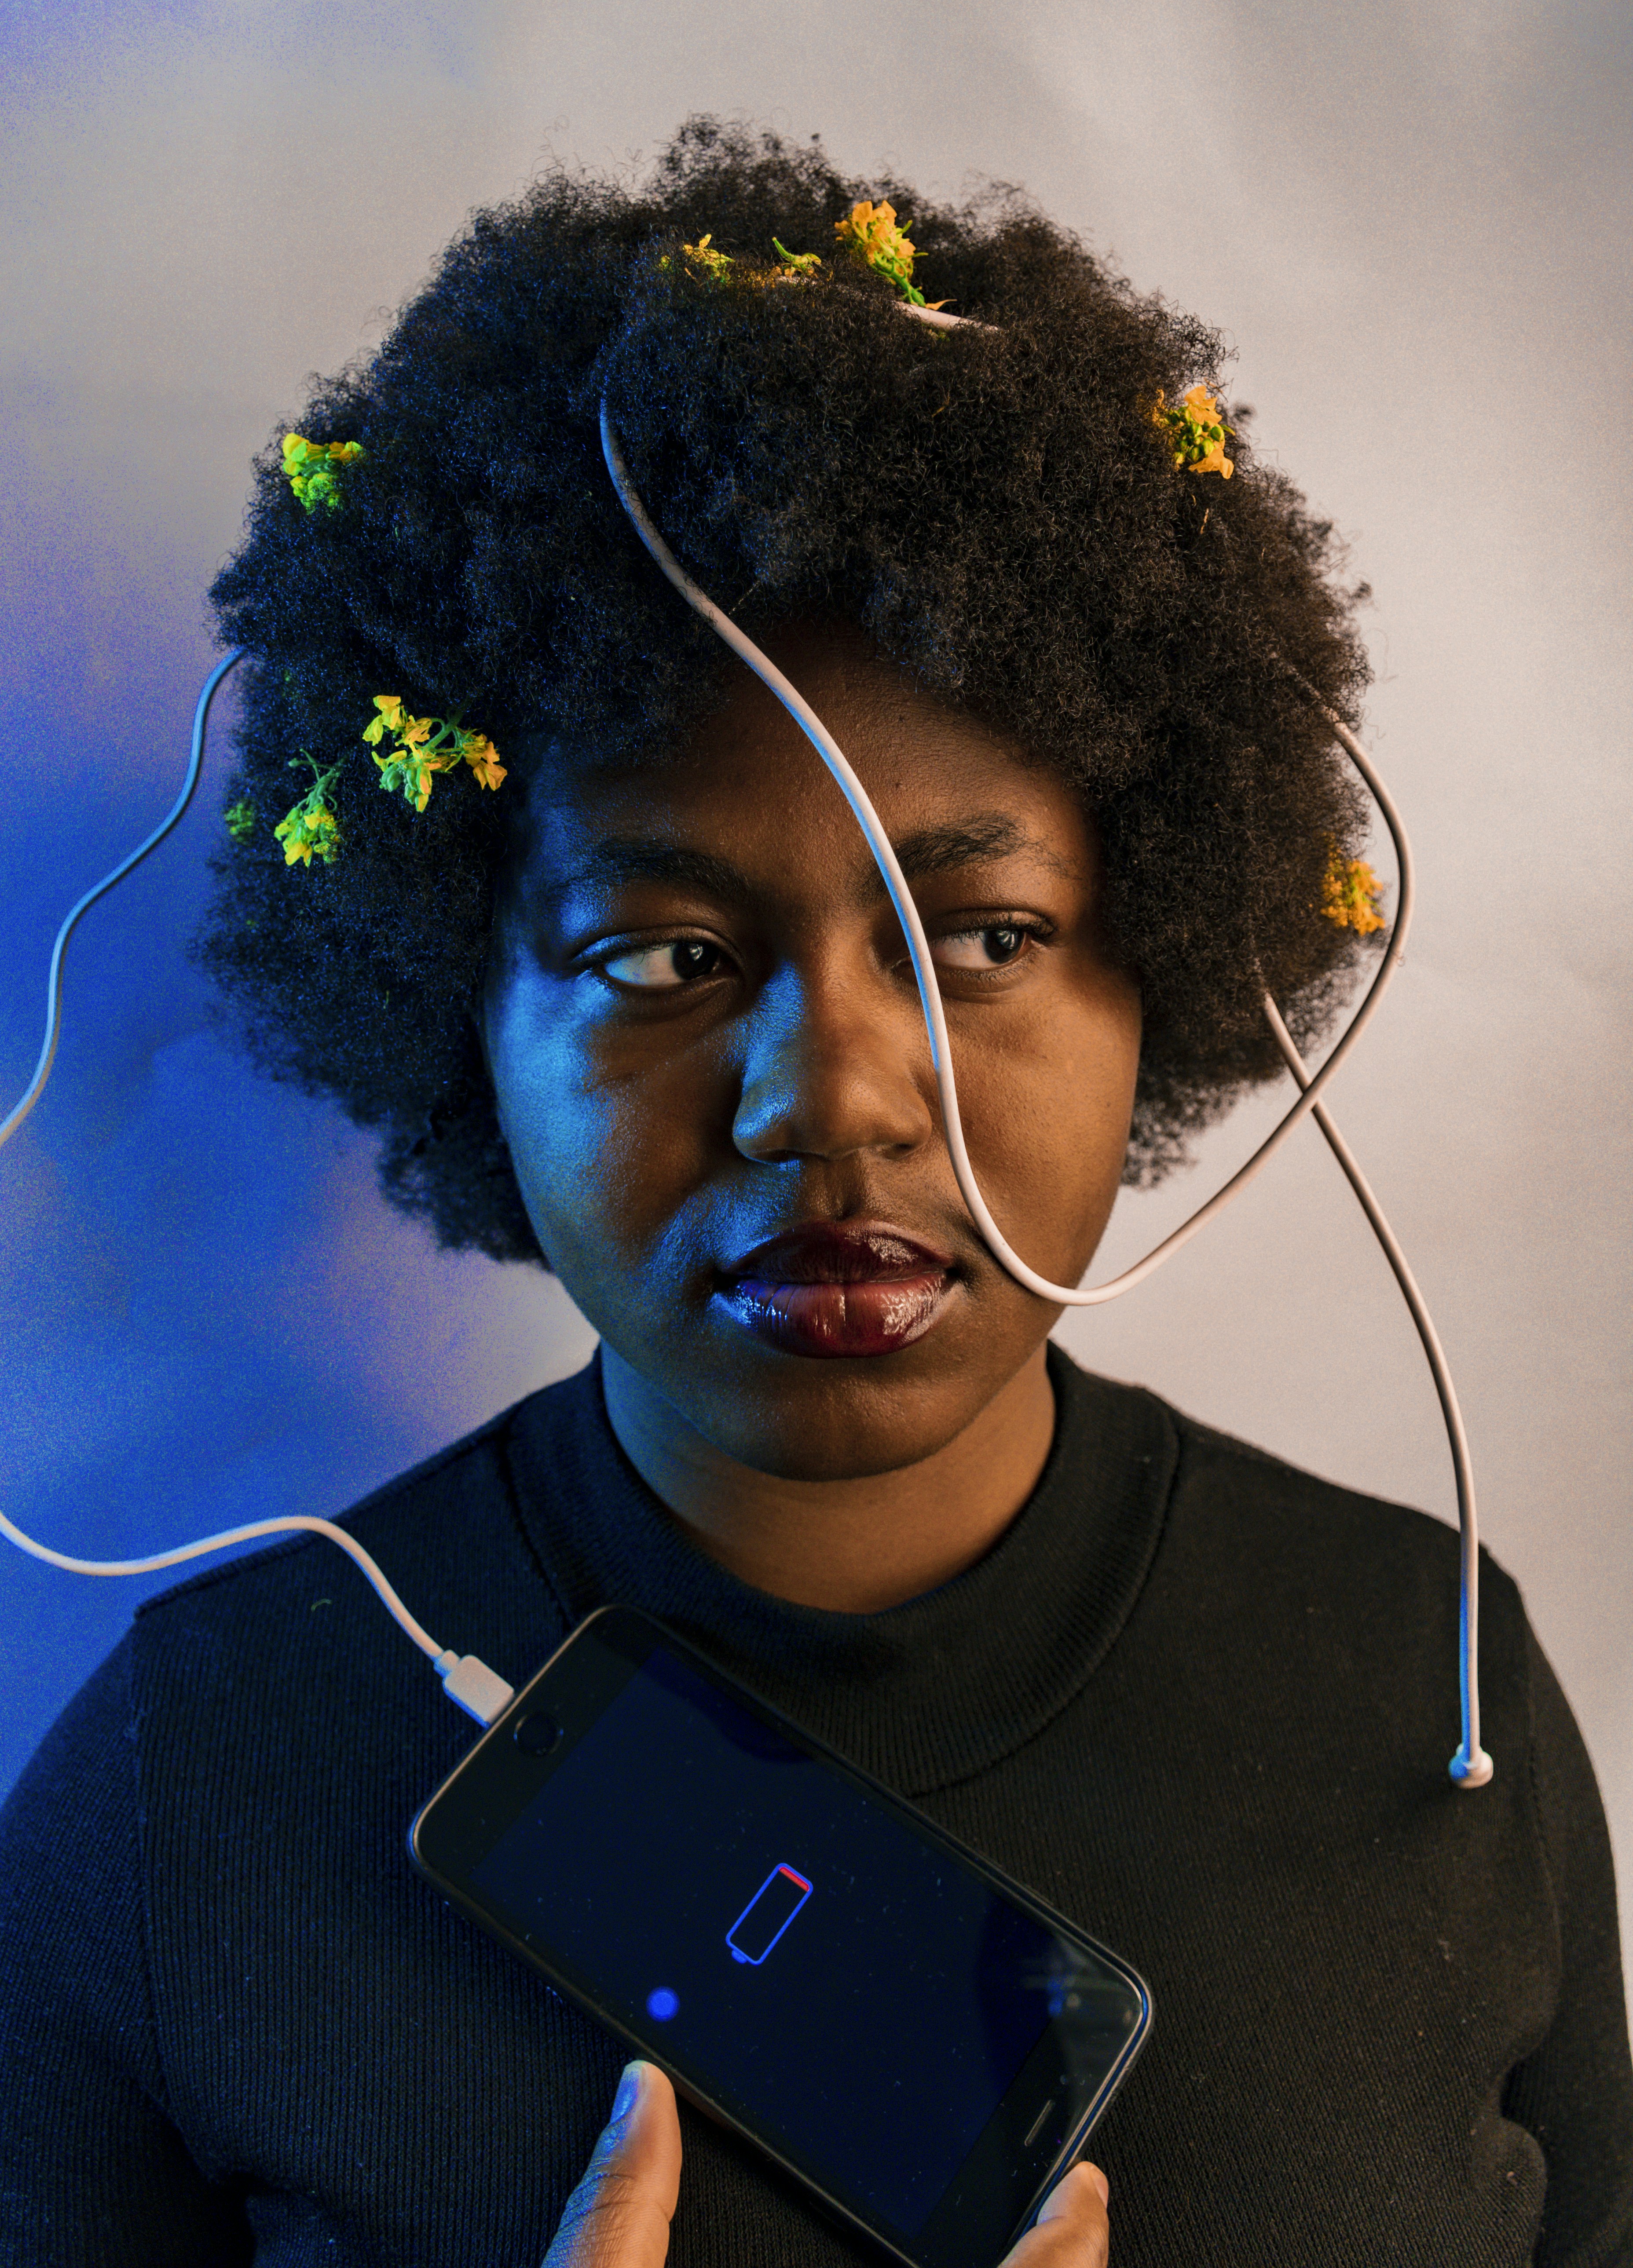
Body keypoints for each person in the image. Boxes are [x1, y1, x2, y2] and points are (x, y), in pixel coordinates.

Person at [0, 118, 1626, 2266]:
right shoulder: (191, 1782)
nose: (834, 1097)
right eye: (663, 955)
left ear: (1160, 954)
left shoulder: (1434, 1696)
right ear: (452, 997)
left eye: (980, 938)